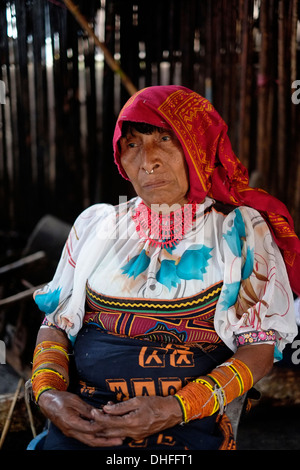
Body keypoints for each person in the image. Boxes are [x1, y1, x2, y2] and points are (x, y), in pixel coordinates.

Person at [30, 85, 300, 450]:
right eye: (132, 144)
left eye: (164, 139)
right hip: (87, 422)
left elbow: (259, 348)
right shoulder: (96, 227)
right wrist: (49, 397)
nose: (148, 160)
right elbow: (55, 325)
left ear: (198, 146)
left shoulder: (239, 233)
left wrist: (175, 408)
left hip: (186, 424)